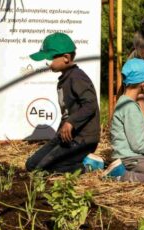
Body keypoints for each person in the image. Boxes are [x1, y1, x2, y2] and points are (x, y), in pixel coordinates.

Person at [24, 33, 100, 173]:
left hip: (83, 139)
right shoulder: (65, 78)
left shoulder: (77, 77)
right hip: (66, 138)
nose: (47, 62)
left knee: (43, 169)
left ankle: (88, 166)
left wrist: (71, 122)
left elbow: (91, 105)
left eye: (50, 58)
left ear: (66, 57)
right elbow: (67, 112)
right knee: (31, 165)